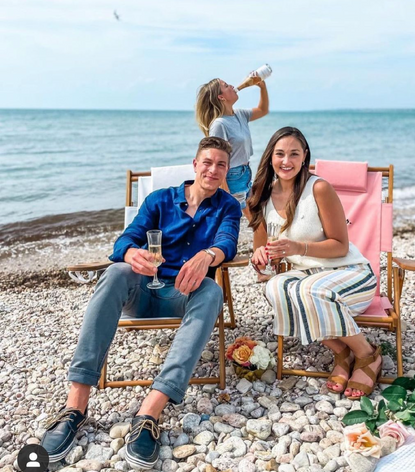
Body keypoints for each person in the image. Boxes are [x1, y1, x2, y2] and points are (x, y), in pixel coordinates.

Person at [40, 137, 242, 469]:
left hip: (182, 295)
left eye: (221, 164)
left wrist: (208, 256)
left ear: (225, 171)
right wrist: (131, 253)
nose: (213, 169)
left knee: (211, 291)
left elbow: (227, 242)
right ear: (195, 165)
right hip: (142, 292)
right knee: (117, 271)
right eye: (208, 162)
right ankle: (75, 405)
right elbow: (125, 239)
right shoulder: (160, 200)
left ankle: (150, 411)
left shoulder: (227, 206)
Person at [249, 127, 382, 400]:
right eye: (280, 154)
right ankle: (341, 352)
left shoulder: (318, 188)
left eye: (294, 154)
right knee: (274, 289)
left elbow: (341, 245)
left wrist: (299, 247)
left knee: (309, 292)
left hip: (349, 274)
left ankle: (367, 355)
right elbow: (260, 250)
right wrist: (259, 257)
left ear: (304, 157)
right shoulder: (261, 196)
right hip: (304, 279)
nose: (286, 161)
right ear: (270, 157)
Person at [195, 74, 269, 216]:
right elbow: (216, 162)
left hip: (245, 172)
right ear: (221, 97)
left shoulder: (239, 114)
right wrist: (225, 194)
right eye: (227, 86)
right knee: (249, 220)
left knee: (254, 219)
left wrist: (262, 88)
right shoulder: (219, 125)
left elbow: (263, 110)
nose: (232, 86)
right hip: (231, 177)